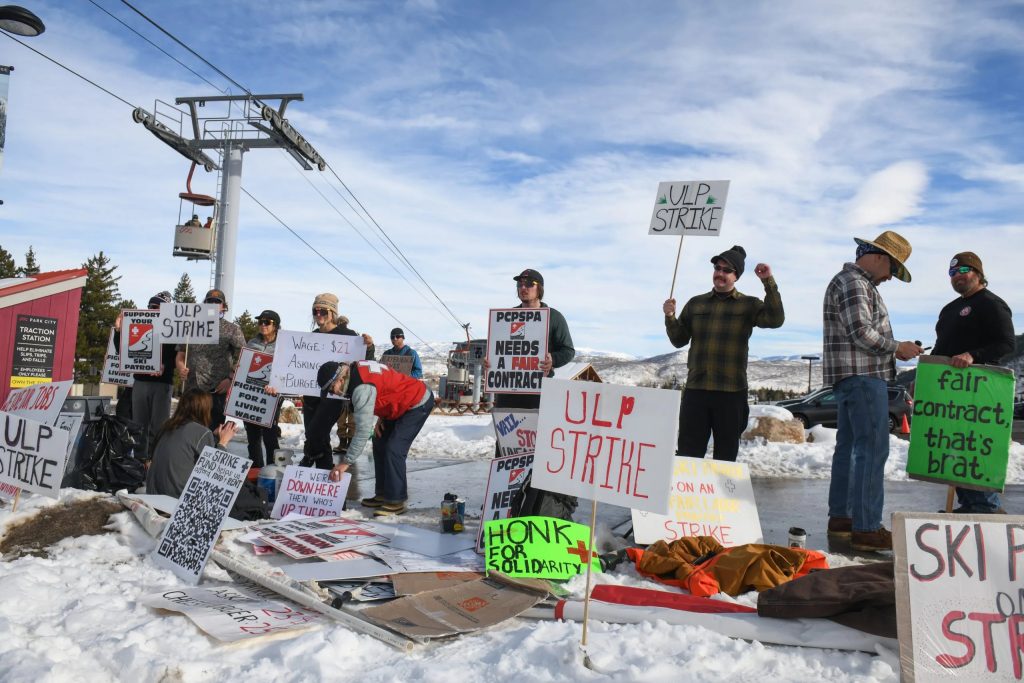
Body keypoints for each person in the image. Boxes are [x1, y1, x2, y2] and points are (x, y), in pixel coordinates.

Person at [823, 231, 923, 551]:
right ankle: (866, 527)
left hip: (853, 377)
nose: (891, 277)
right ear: (880, 257)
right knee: (873, 448)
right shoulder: (855, 282)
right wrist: (898, 348)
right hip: (865, 376)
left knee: (850, 446)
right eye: (893, 268)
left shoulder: (851, 281)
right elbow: (861, 332)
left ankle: (843, 517)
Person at [663, 246, 784, 461]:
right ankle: (688, 496)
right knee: (688, 455)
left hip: (731, 393)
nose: (720, 273)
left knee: (725, 457)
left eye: (726, 270)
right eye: (717, 268)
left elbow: (775, 320)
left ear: (736, 276)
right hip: (696, 391)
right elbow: (678, 339)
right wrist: (670, 316)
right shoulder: (696, 303)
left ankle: (721, 495)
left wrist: (768, 282)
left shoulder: (748, 304)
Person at [932, 251, 1015, 513]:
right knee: (955, 449)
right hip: (950, 394)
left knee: (974, 449)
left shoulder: (992, 304)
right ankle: (969, 505)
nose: (957, 276)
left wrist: (973, 355)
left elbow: (1006, 343)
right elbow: (940, 349)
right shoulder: (948, 310)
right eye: (952, 273)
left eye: (963, 270)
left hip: (980, 394)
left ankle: (986, 509)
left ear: (978, 274)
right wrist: (924, 378)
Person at [491, 268, 576, 519]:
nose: (523, 287)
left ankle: (534, 509)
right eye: (520, 284)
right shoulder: (506, 318)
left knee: (537, 451)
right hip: (508, 396)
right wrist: (490, 363)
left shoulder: (554, 317)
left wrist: (553, 360)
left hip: (538, 394)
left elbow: (568, 350)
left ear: (540, 288)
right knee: (506, 451)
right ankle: (503, 510)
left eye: (529, 283)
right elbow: (497, 351)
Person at [321, 360, 433, 516]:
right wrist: (383, 415)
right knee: (379, 440)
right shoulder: (354, 371)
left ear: (340, 379)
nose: (334, 393)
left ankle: (396, 500)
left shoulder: (360, 389)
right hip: (398, 403)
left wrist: (345, 463)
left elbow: (362, 431)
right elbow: (383, 388)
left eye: (332, 389)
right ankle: (383, 493)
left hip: (417, 401)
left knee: (394, 448)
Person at [300, 293, 375, 475]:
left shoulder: (348, 335)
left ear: (332, 313)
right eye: (315, 311)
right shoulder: (312, 337)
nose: (319, 314)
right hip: (311, 396)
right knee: (315, 436)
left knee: (317, 434)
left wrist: (369, 347)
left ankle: (307, 465)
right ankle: (321, 483)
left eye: (323, 310)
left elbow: (363, 365)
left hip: (332, 397)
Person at [113, 290, 178, 461]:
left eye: (158, 307)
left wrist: (167, 365)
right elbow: (123, 349)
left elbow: (178, 354)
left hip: (162, 383)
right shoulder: (140, 324)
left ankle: (155, 461)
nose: (153, 309)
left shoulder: (173, 328)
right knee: (139, 425)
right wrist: (119, 329)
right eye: (151, 306)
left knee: (159, 426)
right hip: (140, 381)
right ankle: (140, 461)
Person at [175, 288, 245, 430]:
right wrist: (181, 367)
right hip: (192, 391)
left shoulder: (232, 329)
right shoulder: (191, 326)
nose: (213, 304)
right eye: (209, 301)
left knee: (212, 435)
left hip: (216, 392)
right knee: (189, 433)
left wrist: (231, 379)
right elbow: (181, 354)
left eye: (217, 302)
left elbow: (245, 356)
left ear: (223, 307)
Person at [146, 389, 238, 497]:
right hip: (178, 498)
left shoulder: (166, 426)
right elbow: (215, 472)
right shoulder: (202, 432)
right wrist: (223, 442)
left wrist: (214, 437)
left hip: (153, 493)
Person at [243, 309, 283, 469]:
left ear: (276, 326)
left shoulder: (282, 345)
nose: (263, 325)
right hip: (251, 394)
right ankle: (255, 470)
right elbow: (244, 367)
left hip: (272, 396)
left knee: (270, 435)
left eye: (267, 322)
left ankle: (274, 470)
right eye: (260, 321)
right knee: (252, 436)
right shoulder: (252, 343)